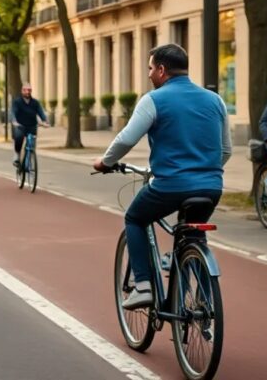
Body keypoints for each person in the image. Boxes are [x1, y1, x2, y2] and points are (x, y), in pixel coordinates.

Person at [93, 44, 232, 310]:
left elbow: (127, 139)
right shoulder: (215, 100)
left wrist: (105, 162)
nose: (148, 74)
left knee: (135, 218)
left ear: (161, 69)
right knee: (194, 233)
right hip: (212, 186)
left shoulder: (153, 99)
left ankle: (143, 285)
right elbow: (225, 150)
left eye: (150, 68)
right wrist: (206, 168)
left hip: (170, 185)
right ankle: (203, 298)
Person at [11, 82, 49, 166]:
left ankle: (30, 158)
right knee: (19, 138)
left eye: (29, 90)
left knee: (32, 145)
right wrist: (14, 121)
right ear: (22, 91)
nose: (27, 92)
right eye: (25, 90)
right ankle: (17, 155)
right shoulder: (17, 102)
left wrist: (45, 121)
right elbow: (13, 112)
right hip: (20, 126)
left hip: (32, 125)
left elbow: (41, 112)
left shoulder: (35, 102)